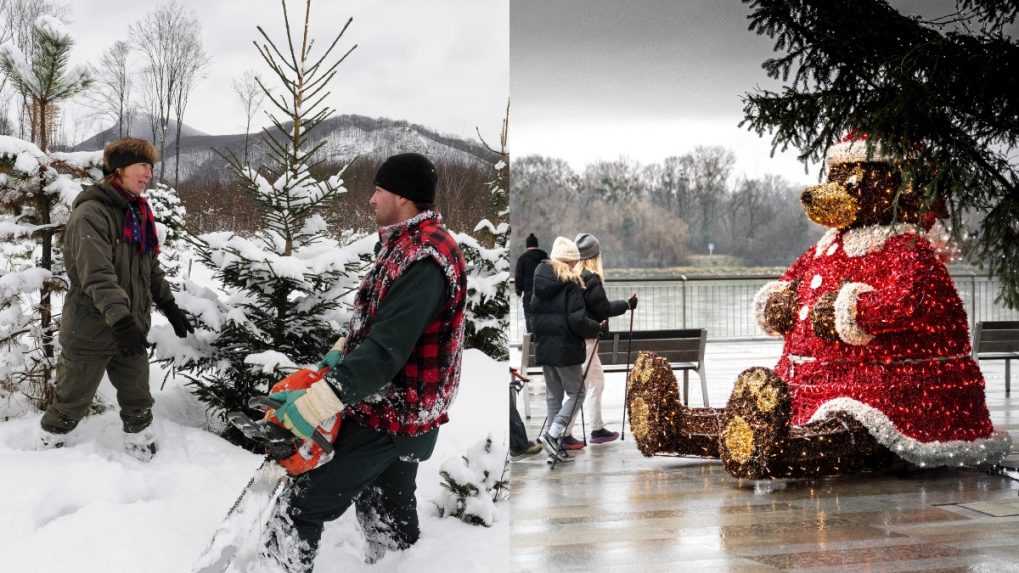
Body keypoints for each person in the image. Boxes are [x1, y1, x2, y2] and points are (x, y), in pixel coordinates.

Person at [264, 153, 467, 570]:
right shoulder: (405, 245)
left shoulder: (423, 258)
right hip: (403, 410)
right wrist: (339, 354)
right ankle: (399, 561)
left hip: (390, 410)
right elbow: (381, 322)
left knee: (300, 504)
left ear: (403, 198)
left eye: (378, 190)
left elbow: (384, 354)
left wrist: (314, 405)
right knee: (388, 510)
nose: (371, 199)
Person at [38, 138, 194, 461]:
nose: (148, 174)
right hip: (91, 332)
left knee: (138, 399)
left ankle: (141, 453)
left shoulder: (137, 213)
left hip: (129, 329)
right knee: (70, 404)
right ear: (118, 170)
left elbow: (148, 267)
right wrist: (122, 321)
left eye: (151, 167)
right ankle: (46, 455)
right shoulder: (92, 214)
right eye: (141, 166)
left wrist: (168, 305)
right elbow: (97, 276)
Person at [529, 237, 602, 462]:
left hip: (544, 348)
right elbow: (577, 320)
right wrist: (597, 327)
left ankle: (554, 443)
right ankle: (553, 434)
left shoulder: (539, 281)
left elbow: (532, 317)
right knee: (577, 393)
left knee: (554, 396)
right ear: (569, 262)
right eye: (573, 262)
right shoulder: (570, 284)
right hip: (565, 349)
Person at [561, 233, 637, 449]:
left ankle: (590, 429)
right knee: (589, 384)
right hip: (588, 338)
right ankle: (573, 432)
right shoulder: (590, 278)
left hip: (575, 337)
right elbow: (602, 309)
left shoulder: (570, 276)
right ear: (594, 256)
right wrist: (627, 304)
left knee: (590, 382)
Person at [514, 233, 547, 332]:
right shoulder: (544, 256)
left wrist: (518, 290)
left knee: (529, 316)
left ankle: (531, 340)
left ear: (527, 245)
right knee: (544, 317)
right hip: (544, 293)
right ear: (536, 245)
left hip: (529, 293)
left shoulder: (522, 258)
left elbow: (518, 276)